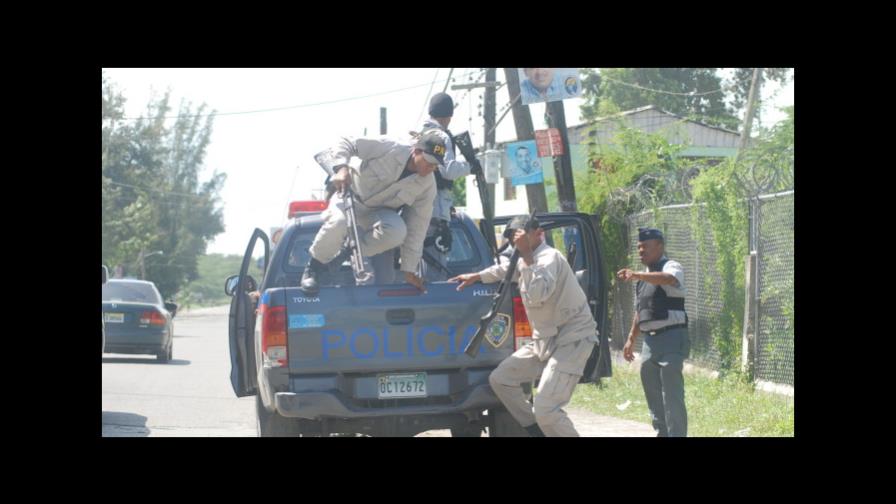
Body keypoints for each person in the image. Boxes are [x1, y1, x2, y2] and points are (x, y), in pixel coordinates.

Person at [450, 215, 598, 437]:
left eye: (519, 235)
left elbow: (537, 294)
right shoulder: (524, 260)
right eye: (512, 237)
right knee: (501, 379)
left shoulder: (549, 257)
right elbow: (504, 270)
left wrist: (527, 254)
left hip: (571, 340)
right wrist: (476, 276)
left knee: (546, 408)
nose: (515, 241)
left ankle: (545, 425)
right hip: (544, 341)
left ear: (539, 233)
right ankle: (535, 430)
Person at [300, 132, 445, 295]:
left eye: (436, 165)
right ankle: (314, 268)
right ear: (416, 151)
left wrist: (409, 270)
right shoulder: (391, 146)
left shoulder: (427, 186)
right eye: (429, 162)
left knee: (397, 231)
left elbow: (417, 228)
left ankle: (346, 252)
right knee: (339, 223)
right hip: (349, 196)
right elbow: (347, 141)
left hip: (378, 212)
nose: (432, 168)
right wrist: (341, 168)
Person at [617, 227, 690, 437]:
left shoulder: (671, 266)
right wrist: (631, 339)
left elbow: (668, 279)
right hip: (650, 343)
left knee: (671, 395)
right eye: (639, 247)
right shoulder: (643, 279)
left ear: (659, 246)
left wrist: (637, 274)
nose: (641, 251)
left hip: (672, 337)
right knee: (654, 396)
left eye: (645, 246)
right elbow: (640, 311)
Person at [415, 93, 472, 281]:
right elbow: (448, 170)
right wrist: (471, 166)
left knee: (419, 263)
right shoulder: (441, 136)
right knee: (436, 267)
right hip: (435, 209)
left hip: (416, 206)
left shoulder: (419, 135)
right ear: (449, 116)